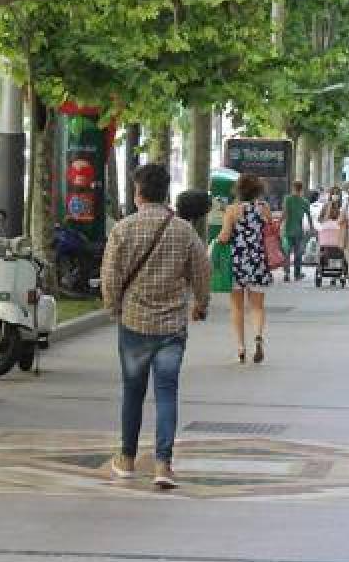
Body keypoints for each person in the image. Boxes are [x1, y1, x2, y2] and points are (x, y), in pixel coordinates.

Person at [101, 164, 210, 490]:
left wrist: (113, 307)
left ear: (138, 193)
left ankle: (127, 459)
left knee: (132, 391)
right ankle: (163, 464)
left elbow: (110, 277)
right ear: (165, 193)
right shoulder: (184, 231)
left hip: (133, 323)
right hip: (172, 327)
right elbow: (202, 272)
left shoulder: (123, 229)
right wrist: (200, 304)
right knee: (167, 392)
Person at [217, 173, 275, 364]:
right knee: (257, 306)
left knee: (237, 307)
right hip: (258, 261)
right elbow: (272, 231)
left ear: (238, 190)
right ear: (258, 190)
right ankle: (258, 337)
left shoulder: (232, 210)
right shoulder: (264, 208)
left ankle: (241, 348)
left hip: (237, 263)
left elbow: (225, 237)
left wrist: (217, 240)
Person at [281, 180, 315, 282]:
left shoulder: (287, 199)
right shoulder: (305, 201)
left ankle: (286, 274)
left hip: (287, 230)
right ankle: (297, 274)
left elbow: (285, 214)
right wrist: (312, 228)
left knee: (286, 252)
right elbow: (309, 217)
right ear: (301, 189)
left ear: (293, 188)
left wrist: (279, 224)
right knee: (298, 253)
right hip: (298, 231)